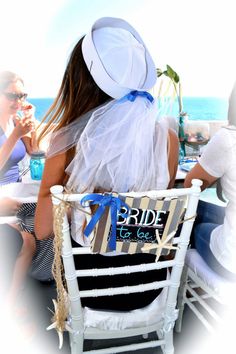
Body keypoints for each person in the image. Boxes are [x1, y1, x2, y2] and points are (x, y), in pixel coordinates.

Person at [35, 17, 179, 311]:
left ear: (78, 81)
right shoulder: (168, 139)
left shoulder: (66, 144)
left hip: (90, 289)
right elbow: (157, 222)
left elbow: (42, 230)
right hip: (148, 284)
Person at [184, 81, 236, 281]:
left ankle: (175, 276)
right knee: (208, 210)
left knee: (194, 218)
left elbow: (190, 185)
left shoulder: (228, 139)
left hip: (230, 263)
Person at [0, 71, 37, 184]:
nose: (18, 102)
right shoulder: (17, 128)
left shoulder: (16, 120)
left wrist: (30, 117)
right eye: (12, 96)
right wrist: (15, 135)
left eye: (21, 96)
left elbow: (33, 150)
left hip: (16, 191)